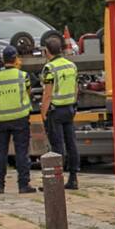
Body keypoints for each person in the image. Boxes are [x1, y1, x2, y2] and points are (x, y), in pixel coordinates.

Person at [0, 46, 34, 194]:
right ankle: (23, 185)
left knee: (0, 153)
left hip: (1, 120)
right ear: (16, 58)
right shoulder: (22, 76)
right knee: (21, 152)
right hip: (20, 118)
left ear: (2, 60)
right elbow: (28, 92)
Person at [39, 36, 80, 189]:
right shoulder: (71, 65)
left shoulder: (49, 68)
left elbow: (48, 94)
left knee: (57, 147)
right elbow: (76, 88)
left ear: (47, 51)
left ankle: (55, 181)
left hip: (55, 111)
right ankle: (74, 178)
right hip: (69, 109)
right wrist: (74, 105)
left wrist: (43, 113)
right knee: (71, 144)